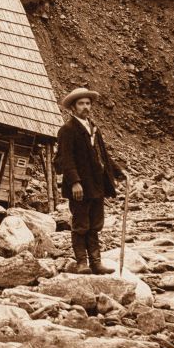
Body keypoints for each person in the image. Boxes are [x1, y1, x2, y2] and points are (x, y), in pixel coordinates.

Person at [57, 87, 126, 275]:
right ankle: (81, 262)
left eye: (88, 103)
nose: (85, 107)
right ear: (73, 107)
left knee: (95, 225)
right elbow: (66, 159)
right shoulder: (67, 130)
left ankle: (96, 263)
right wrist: (75, 182)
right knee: (81, 225)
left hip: (96, 185)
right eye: (81, 104)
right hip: (80, 187)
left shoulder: (94, 129)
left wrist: (119, 173)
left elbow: (103, 156)